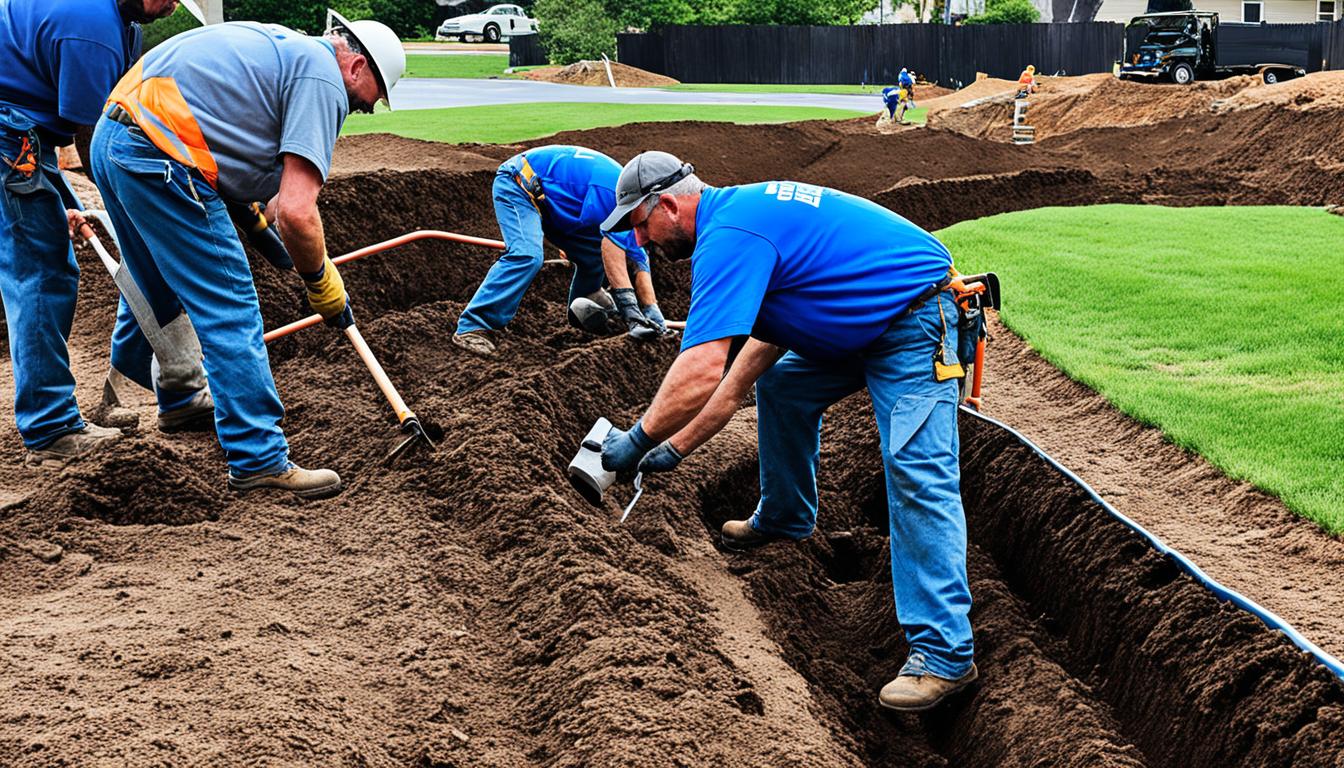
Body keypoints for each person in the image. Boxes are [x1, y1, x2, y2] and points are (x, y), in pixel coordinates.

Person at [599, 151, 976, 712]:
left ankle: (944, 654)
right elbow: (737, 379)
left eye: (638, 224)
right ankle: (786, 516)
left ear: (670, 206)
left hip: (918, 318)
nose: (640, 240)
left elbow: (703, 367)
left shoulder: (730, 236)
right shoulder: (739, 219)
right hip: (861, 323)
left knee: (917, 472)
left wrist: (637, 439)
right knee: (783, 388)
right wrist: (675, 447)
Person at [89, 11, 405, 498]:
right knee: (230, 306)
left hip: (116, 140)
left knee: (154, 278)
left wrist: (258, 223)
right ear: (358, 66)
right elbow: (298, 213)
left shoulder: (283, 47)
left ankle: (178, 396)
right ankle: (258, 457)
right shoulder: (322, 78)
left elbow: (269, 191)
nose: (359, 111)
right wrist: (321, 280)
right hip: (162, 157)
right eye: (367, 102)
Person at [0, 0, 184, 468]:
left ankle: (52, 418)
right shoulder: (93, 28)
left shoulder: (122, 24)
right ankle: (51, 430)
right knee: (41, 273)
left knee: (44, 265)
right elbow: (96, 138)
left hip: (25, 131)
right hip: (12, 134)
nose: (175, 4)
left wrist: (66, 203)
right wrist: (127, 210)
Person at [452, 145, 670, 357]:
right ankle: (473, 325)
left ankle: (584, 308)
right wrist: (631, 310)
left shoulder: (636, 206)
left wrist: (653, 311)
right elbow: (611, 249)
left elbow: (641, 262)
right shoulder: (616, 199)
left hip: (558, 202)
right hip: (519, 183)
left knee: (593, 256)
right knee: (527, 256)